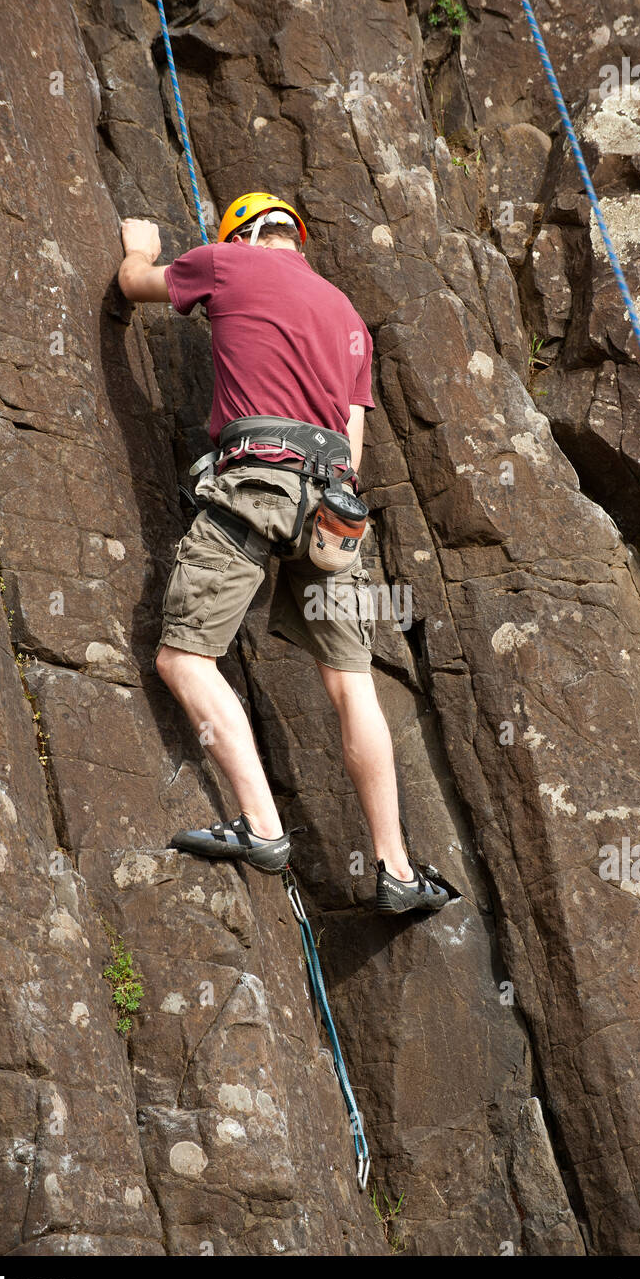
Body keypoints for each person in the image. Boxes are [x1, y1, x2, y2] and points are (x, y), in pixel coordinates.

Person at [118, 192, 449, 914]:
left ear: (240, 236)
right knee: (351, 683)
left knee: (183, 657)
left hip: (259, 478)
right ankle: (394, 866)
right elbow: (353, 442)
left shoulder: (225, 262)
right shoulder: (348, 318)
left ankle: (262, 827)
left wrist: (141, 244)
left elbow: (132, 285)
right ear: (297, 238)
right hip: (336, 505)